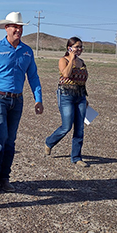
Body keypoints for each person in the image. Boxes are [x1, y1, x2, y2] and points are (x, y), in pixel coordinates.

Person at [0, 12, 43, 193]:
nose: (18, 30)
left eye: (20, 27)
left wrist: (38, 99)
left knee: (11, 140)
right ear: (7, 28)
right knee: (0, 137)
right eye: (15, 26)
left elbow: (34, 76)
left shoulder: (27, 51)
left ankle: (5, 178)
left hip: (17, 100)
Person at [45, 37, 89, 167]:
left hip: (80, 96)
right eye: (76, 47)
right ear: (69, 48)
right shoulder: (63, 60)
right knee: (66, 126)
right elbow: (66, 75)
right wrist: (72, 59)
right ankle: (49, 142)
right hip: (66, 95)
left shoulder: (82, 62)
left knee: (80, 128)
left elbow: (82, 82)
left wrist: (86, 98)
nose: (79, 49)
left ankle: (76, 157)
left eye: (80, 47)